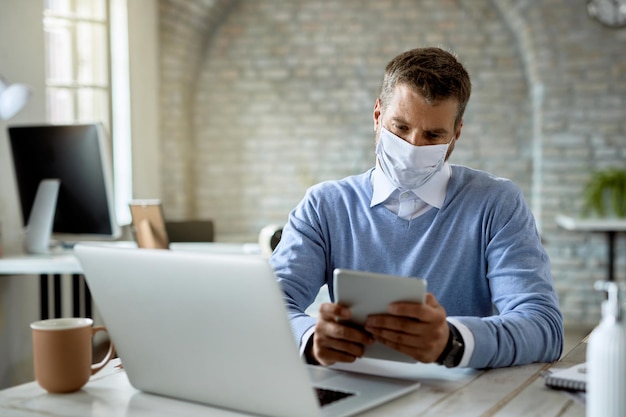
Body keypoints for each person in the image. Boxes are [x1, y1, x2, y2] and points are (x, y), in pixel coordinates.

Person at [270, 47, 563, 369]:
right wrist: (310, 338)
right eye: (400, 127)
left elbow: (542, 327)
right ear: (378, 116)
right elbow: (269, 306)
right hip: (354, 383)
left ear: (456, 135)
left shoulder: (496, 204)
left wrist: (452, 342)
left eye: (433, 134)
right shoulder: (324, 206)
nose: (413, 147)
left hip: (457, 394)